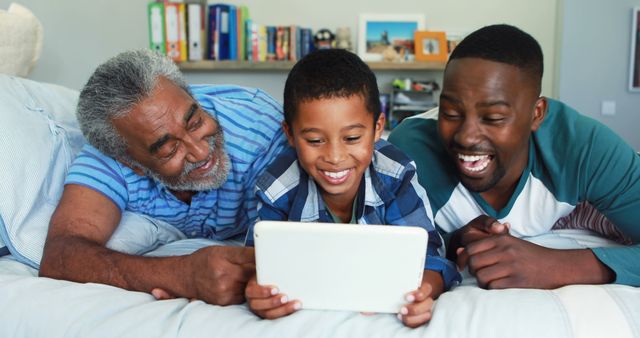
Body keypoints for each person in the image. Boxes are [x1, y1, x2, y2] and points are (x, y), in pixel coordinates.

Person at [389, 24, 640, 289]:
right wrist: (452, 242)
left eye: (494, 118)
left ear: (536, 113)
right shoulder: (408, 154)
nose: (466, 136)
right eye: (451, 112)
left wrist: (554, 266)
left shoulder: (583, 146)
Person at [38, 49, 287, 305]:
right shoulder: (111, 155)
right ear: (130, 162)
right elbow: (61, 255)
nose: (201, 152)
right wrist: (181, 274)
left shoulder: (261, 127)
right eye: (169, 149)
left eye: (195, 122)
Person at [243, 49, 460, 328]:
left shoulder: (395, 176)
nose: (335, 157)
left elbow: (430, 258)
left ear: (377, 127)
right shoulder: (277, 188)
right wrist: (259, 293)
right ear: (290, 135)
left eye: (353, 137)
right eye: (315, 140)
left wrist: (423, 292)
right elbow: (258, 266)